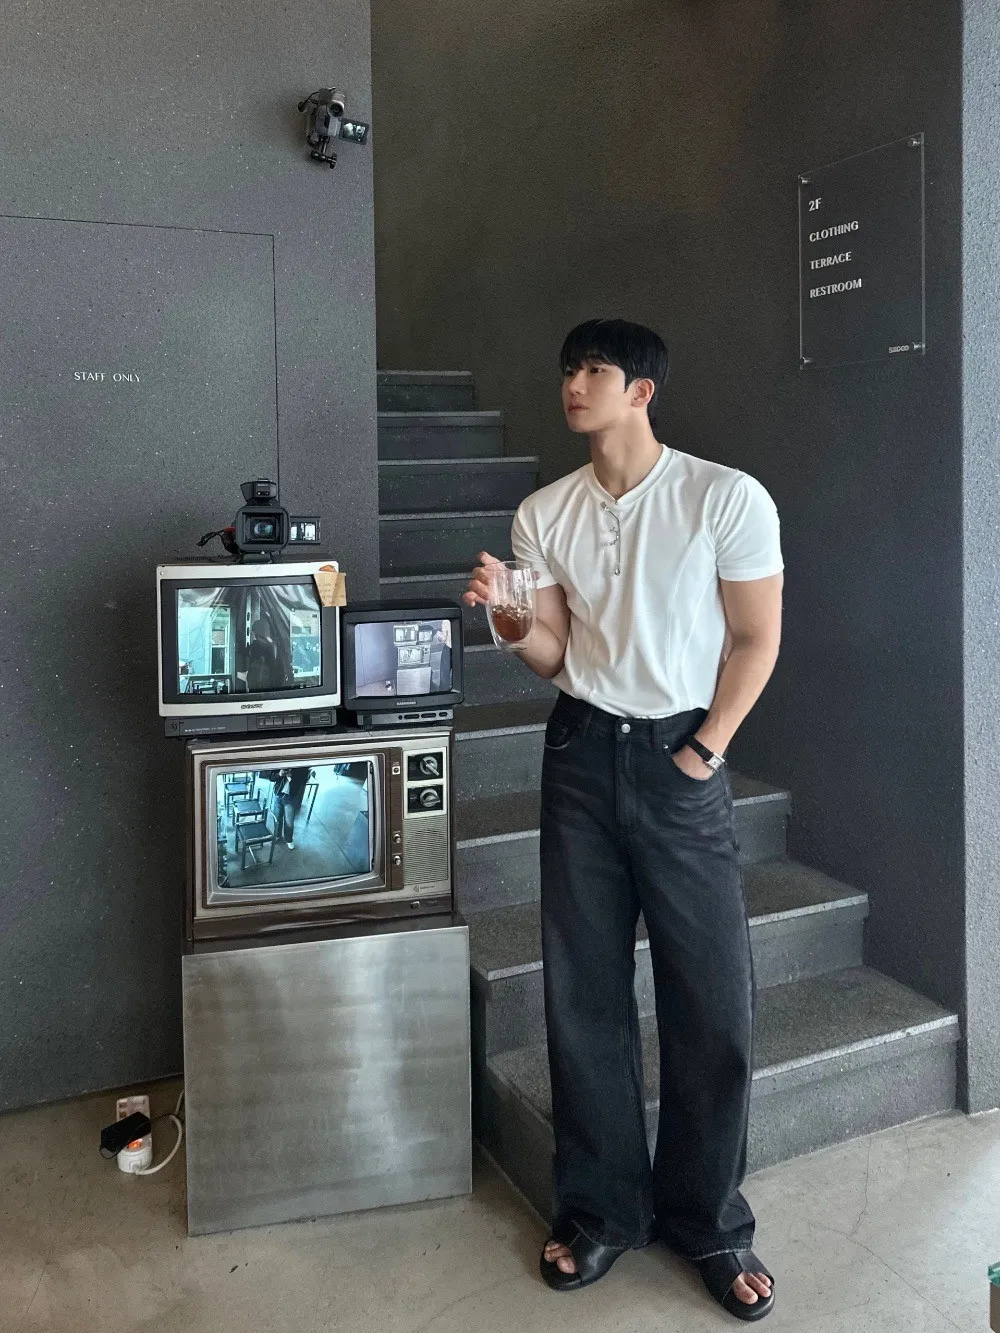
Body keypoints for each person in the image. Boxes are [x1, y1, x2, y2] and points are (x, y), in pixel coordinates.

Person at [464, 319, 783, 1322]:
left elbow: (755, 637)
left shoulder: (723, 496)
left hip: (682, 753)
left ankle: (709, 1218)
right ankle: (601, 1208)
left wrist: (705, 750)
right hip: (580, 754)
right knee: (584, 991)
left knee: (712, 996)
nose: (574, 383)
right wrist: (511, 622)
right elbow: (556, 654)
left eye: (594, 369)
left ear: (641, 389)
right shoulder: (543, 512)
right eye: (567, 368)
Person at [276, 767, 311, 849]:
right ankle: (277, 835)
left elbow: (303, 781)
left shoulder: (302, 768)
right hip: (278, 794)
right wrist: (279, 774)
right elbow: (271, 777)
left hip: (291, 797)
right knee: (277, 818)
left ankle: (288, 839)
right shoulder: (280, 763)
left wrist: (291, 777)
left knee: (289, 821)